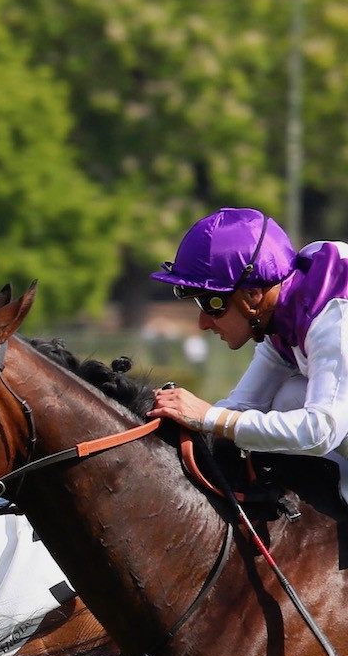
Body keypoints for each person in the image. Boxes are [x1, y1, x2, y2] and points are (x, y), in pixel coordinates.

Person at [145, 208, 348, 494]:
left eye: (210, 304)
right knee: (290, 397)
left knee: (296, 405)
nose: (203, 324)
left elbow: (320, 432)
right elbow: (243, 406)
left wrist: (208, 417)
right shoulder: (280, 315)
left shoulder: (334, 318)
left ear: (253, 295)